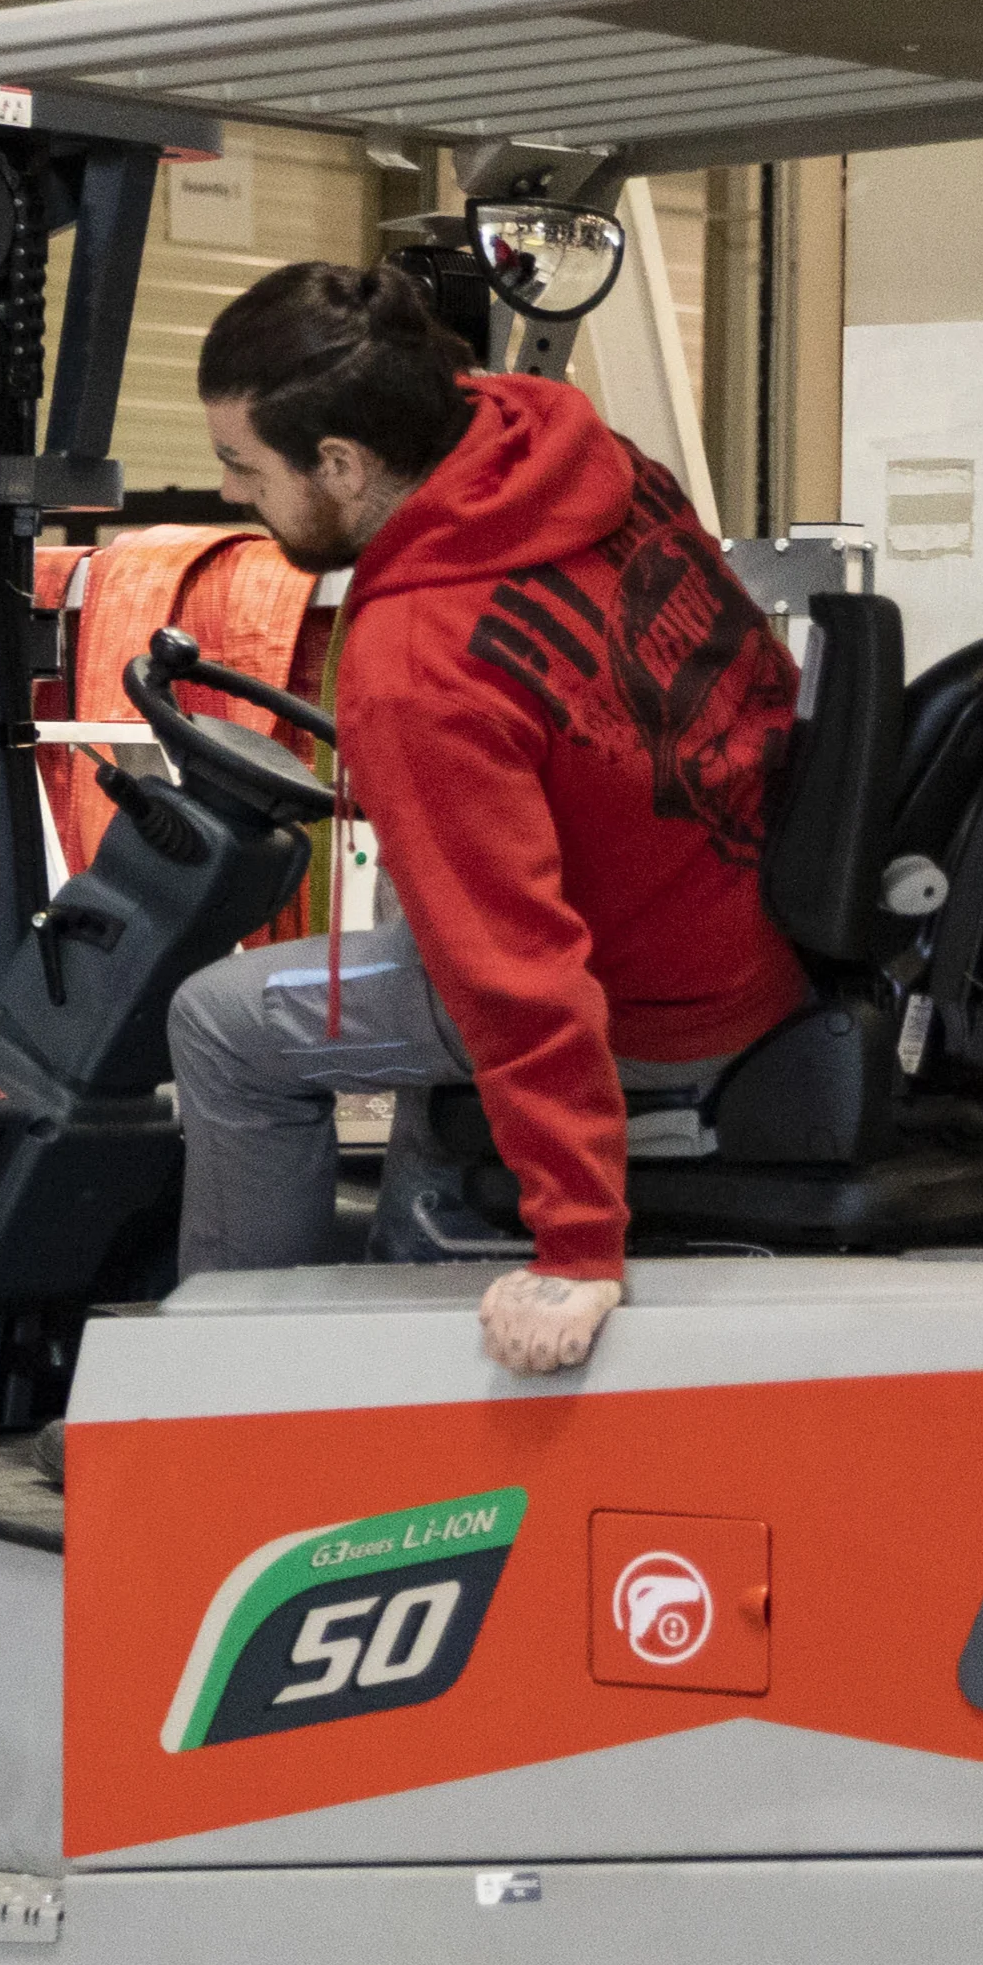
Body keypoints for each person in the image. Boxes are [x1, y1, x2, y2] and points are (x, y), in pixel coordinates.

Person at [169, 260, 806, 1379]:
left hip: (655, 1001)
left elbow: (518, 974)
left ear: (341, 462)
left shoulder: (416, 666)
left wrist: (576, 1245)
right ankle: (418, 1237)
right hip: (736, 897)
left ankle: (224, 1384)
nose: (228, 495)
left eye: (240, 465)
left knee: (221, 1024)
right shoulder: (576, 452)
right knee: (422, 931)